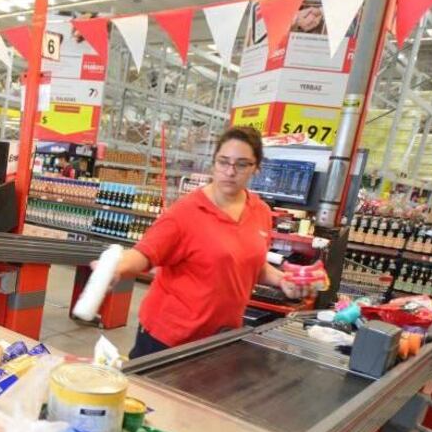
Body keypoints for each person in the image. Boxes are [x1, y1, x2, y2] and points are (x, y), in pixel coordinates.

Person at [103, 126, 311, 359]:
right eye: (223, 162)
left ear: (256, 168)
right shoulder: (186, 211)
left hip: (219, 338)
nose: (230, 171)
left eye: (242, 164)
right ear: (213, 163)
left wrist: (282, 280)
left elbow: (250, 262)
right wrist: (117, 266)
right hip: (169, 338)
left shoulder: (260, 211)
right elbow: (145, 252)